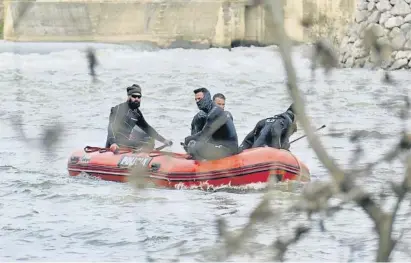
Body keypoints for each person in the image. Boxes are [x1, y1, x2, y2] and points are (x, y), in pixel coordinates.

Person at [105, 84, 172, 152]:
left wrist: (164, 140)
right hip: (116, 143)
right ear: (129, 96)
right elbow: (111, 126)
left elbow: (147, 128)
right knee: (146, 145)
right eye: (134, 96)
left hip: (126, 142)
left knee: (149, 141)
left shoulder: (136, 113)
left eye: (139, 97)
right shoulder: (120, 108)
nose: (137, 99)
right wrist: (113, 143)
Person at [184, 88, 239, 160]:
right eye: (196, 100)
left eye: (200, 99)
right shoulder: (200, 117)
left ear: (207, 98)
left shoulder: (215, 112)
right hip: (220, 145)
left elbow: (204, 135)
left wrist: (188, 140)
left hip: (229, 150)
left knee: (194, 144)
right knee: (193, 144)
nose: (198, 102)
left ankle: (202, 165)